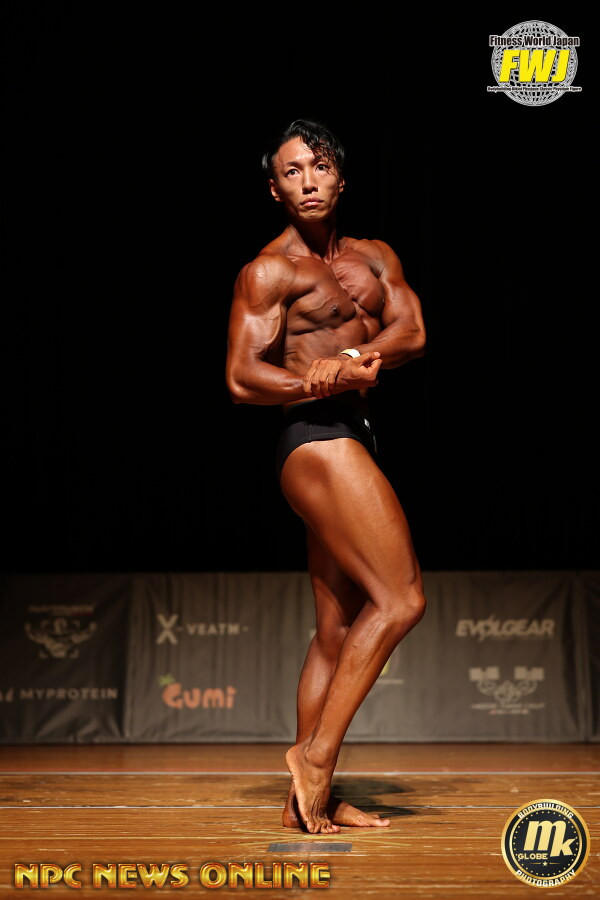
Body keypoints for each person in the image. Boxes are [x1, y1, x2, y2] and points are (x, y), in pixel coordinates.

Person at [225, 119, 427, 834]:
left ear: (340, 176)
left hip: (354, 430)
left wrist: (352, 361)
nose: (307, 181)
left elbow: (412, 332)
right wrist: (315, 383)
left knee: (337, 630)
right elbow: (242, 377)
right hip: (313, 439)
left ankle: (304, 800)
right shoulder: (269, 270)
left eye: (318, 167)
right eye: (291, 172)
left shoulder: (376, 257)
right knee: (401, 599)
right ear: (274, 189)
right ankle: (314, 757)